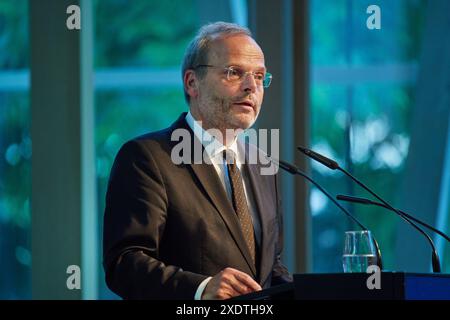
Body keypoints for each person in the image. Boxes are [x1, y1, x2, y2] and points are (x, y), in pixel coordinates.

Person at [103, 21, 292, 300]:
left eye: (260, 76)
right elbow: (124, 262)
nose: (252, 87)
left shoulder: (263, 163)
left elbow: (268, 267)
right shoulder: (148, 158)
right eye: (234, 72)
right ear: (192, 83)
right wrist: (199, 289)